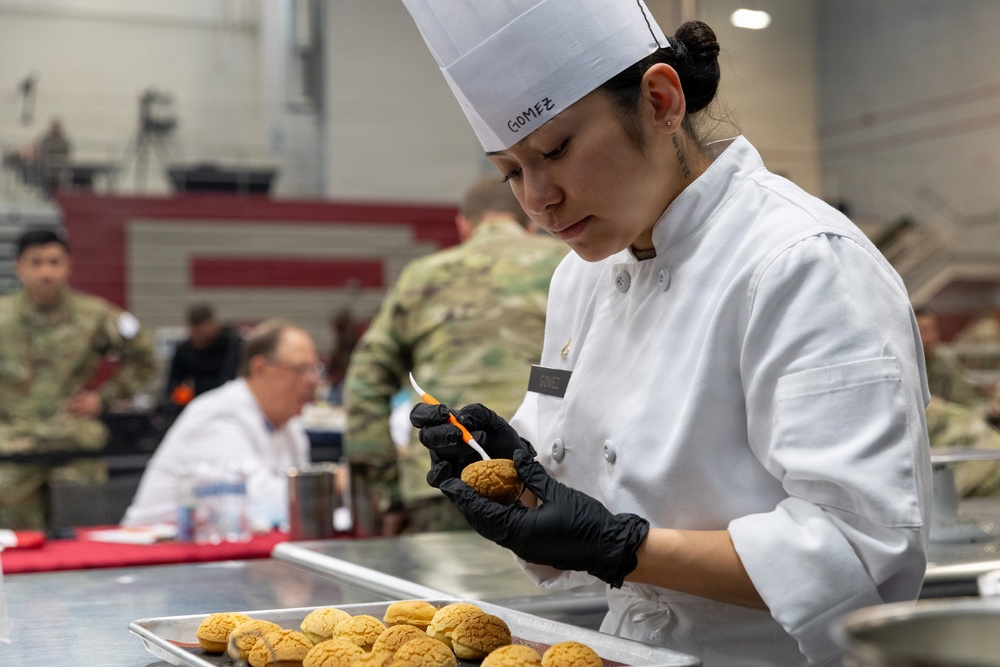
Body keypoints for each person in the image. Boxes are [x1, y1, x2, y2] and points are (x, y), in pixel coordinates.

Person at [400, 3, 931, 665]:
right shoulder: (579, 278)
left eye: (555, 150)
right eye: (510, 170)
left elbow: (864, 558)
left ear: (661, 101)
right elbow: (572, 487)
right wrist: (507, 475)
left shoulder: (803, 263)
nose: (536, 199)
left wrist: (624, 548)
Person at [344, 176, 566, 535]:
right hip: (540, 478)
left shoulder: (420, 277)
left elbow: (365, 380)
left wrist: (387, 492)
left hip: (440, 481)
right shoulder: (565, 264)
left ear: (463, 226)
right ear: (530, 224)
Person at [0, 229, 157, 531]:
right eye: (36, 263)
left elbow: (144, 355)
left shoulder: (94, 315)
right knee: (13, 545)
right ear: (19, 267)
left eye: (54, 262)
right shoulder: (2, 318)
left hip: (74, 448)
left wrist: (104, 398)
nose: (46, 272)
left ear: (68, 266)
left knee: (83, 539)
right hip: (11, 452)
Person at [122, 319, 321, 530]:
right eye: (301, 369)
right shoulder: (218, 415)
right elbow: (259, 503)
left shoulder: (290, 428)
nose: (313, 381)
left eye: (315, 369)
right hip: (156, 545)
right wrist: (333, 485)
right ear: (260, 368)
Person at [917, 308, 1000, 496]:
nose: (928, 337)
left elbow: (965, 400)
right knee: (976, 432)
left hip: (948, 426)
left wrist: (988, 409)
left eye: (932, 329)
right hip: (923, 430)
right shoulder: (902, 361)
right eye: (922, 330)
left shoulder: (943, 359)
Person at [164, 303, 242, 405]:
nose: (199, 339)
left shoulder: (233, 345)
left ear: (214, 326)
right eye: (195, 334)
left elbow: (233, 378)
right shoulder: (185, 349)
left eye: (203, 334)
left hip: (229, 400)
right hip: (196, 402)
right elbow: (173, 383)